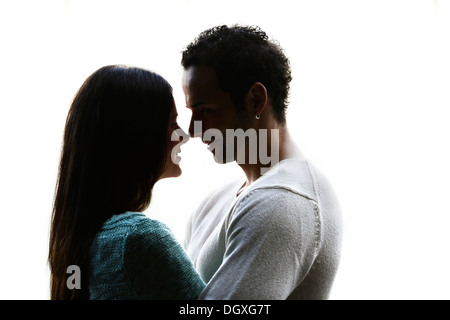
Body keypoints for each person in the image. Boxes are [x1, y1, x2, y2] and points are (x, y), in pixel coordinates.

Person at [181, 25, 343, 299]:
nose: (194, 129)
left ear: (255, 100)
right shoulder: (216, 201)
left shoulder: (281, 202)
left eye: (205, 111)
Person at [48, 65, 205, 300]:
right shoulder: (140, 238)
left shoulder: (76, 242)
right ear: (138, 138)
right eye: (172, 124)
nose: (183, 135)